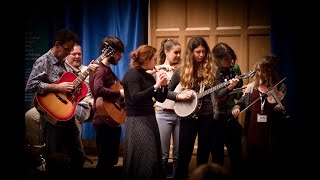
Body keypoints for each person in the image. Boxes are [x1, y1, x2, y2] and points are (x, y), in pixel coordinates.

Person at [25, 28, 96, 179]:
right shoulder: (42, 61)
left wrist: (76, 87)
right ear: (57, 44)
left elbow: (71, 85)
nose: (70, 53)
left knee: (78, 155)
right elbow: (30, 85)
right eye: (68, 49)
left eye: (72, 49)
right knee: (53, 157)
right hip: (51, 114)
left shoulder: (64, 63)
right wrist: (56, 87)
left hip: (66, 112)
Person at [166, 36, 239, 180]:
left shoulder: (213, 70)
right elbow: (167, 92)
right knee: (184, 155)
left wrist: (229, 87)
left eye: (203, 52)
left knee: (203, 155)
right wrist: (179, 96)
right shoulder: (181, 70)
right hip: (187, 117)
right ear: (191, 52)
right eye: (198, 52)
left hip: (207, 117)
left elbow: (218, 93)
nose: (201, 55)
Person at [231, 55, 287, 177]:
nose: (259, 73)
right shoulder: (252, 87)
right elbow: (241, 102)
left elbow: (283, 109)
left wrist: (278, 108)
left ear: (269, 71)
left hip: (271, 133)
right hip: (252, 130)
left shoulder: (280, 87)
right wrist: (236, 108)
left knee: (269, 164)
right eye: (257, 70)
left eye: (262, 70)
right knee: (251, 163)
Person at [121, 44, 169, 180]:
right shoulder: (132, 75)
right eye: (154, 59)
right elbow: (135, 97)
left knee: (152, 156)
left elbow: (160, 97)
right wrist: (156, 86)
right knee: (144, 157)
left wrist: (164, 86)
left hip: (149, 118)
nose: (156, 62)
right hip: (137, 120)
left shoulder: (147, 76)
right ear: (146, 59)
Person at [88, 36, 125, 179]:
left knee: (110, 161)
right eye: (118, 53)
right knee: (104, 162)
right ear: (108, 52)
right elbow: (98, 91)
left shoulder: (108, 70)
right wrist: (119, 93)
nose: (120, 57)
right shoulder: (100, 70)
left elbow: (120, 85)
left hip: (111, 119)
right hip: (103, 121)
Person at [211, 42, 243, 177]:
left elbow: (238, 95)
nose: (231, 62)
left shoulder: (235, 68)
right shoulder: (211, 71)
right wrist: (228, 88)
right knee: (217, 155)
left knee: (236, 152)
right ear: (218, 60)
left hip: (230, 115)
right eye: (227, 60)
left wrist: (236, 88)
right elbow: (214, 96)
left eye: (232, 58)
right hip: (214, 117)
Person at [153, 39, 181, 179]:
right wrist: (159, 69)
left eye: (180, 53)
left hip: (180, 114)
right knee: (163, 153)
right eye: (175, 52)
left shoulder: (182, 70)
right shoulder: (157, 69)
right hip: (163, 114)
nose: (178, 55)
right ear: (166, 52)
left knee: (178, 153)